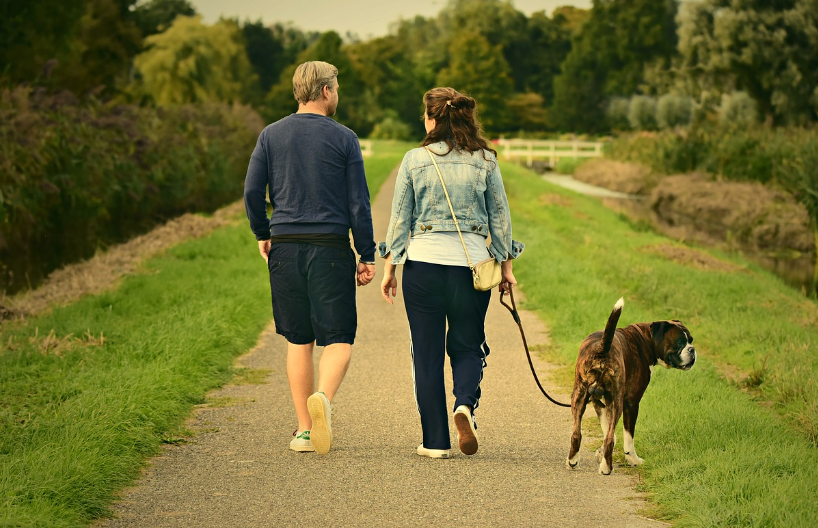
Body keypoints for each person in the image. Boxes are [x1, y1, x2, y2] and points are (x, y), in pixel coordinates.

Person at [379, 87, 524, 458]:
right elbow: (501, 219)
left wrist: (390, 268)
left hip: (422, 267)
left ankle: (435, 442)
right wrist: (506, 268)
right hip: (471, 269)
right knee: (467, 345)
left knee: (426, 353)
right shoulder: (486, 161)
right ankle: (464, 405)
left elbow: (400, 219)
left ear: (432, 118)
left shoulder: (414, 160)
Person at [244, 61, 376, 455]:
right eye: (336, 88)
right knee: (338, 339)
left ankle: (304, 429)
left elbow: (252, 192)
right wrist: (366, 254)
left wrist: (262, 233)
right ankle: (323, 398)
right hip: (330, 249)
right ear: (324, 92)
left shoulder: (270, 135)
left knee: (298, 340)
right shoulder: (344, 138)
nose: (337, 94)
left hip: (284, 246)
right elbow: (359, 203)